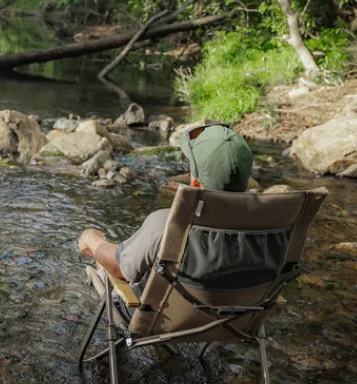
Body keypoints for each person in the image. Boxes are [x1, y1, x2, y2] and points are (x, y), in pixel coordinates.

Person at [78, 123, 253, 292]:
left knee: (106, 265)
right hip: (242, 312)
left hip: (165, 312)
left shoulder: (168, 225)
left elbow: (120, 268)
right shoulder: (263, 229)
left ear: (195, 183)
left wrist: (92, 239)